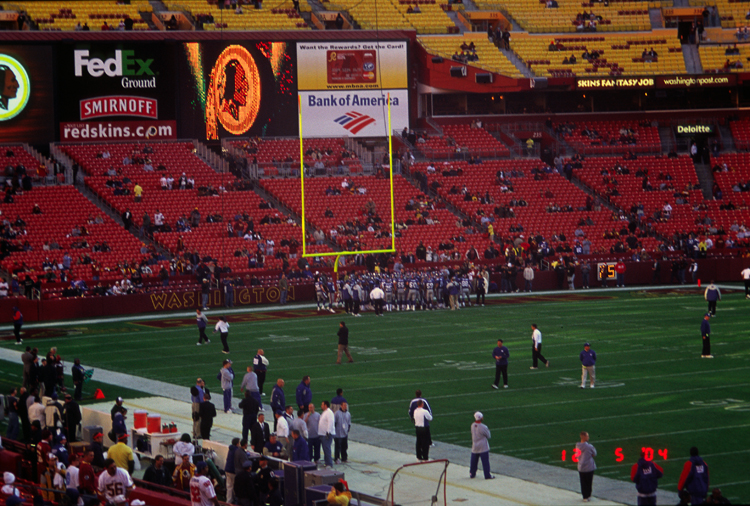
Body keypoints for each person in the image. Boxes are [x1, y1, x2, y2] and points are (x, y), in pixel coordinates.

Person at [470, 412, 494, 479]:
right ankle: (487, 475)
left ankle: (472, 473)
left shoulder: (472, 425)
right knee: (485, 461)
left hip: (475, 445)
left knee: (474, 461)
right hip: (483, 446)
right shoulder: (483, 427)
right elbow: (488, 436)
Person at [576, 431, 597, 502]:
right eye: (587, 436)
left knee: (583, 482)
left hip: (581, 467)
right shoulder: (589, 446)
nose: (588, 437)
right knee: (589, 482)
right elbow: (594, 453)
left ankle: (584, 496)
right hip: (589, 466)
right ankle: (588, 495)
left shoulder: (578, 446)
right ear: (584, 437)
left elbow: (576, 456)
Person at [319, 400, 335, 467]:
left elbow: (330, 422)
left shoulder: (329, 412)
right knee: (325, 449)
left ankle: (329, 463)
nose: (321, 406)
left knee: (327, 448)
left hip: (327, 434)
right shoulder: (325, 412)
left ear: (325, 405)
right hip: (323, 434)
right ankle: (326, 462)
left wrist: (328, 432)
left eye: (322, 405)